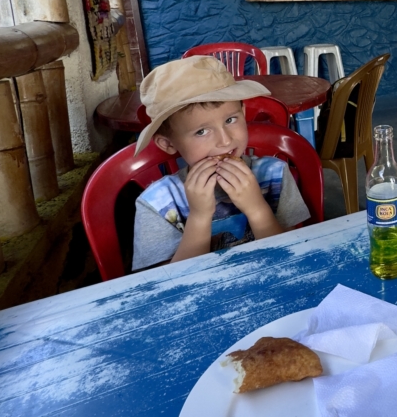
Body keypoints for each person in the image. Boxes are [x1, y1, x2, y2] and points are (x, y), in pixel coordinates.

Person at [131, 56, 310, 270]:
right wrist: (199, 216)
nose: (225, 141)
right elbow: (168, 284)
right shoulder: (157, 203)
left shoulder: (275, 175)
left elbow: (292, 256)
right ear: (168, 144)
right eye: (201, 131)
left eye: (230, 120)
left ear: (243, 113)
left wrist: (257, 209)